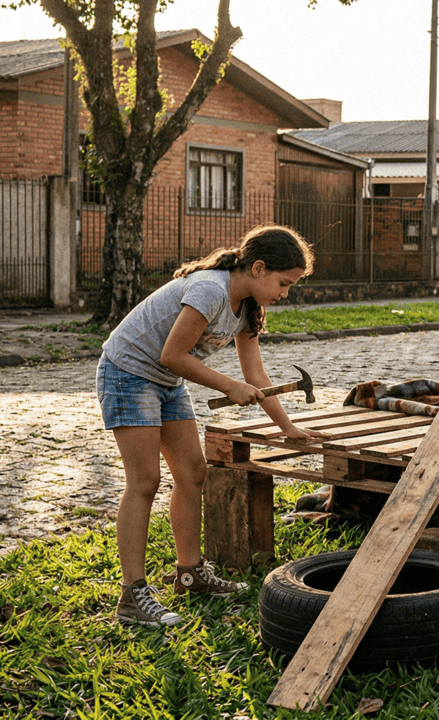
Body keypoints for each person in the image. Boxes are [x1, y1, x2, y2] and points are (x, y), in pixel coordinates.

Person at [99, 225, 331, 626]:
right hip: (128, 372)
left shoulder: (249, 308)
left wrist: (288, 427)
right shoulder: (209, 289)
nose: (285, 293)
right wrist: (228, 385)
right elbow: (173, 353)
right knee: (144, 482)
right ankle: (132, 596)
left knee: (192, 473)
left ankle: (190, 574)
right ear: (258, 268)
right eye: (283, 283)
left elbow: (256, 375)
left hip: (166, 381)